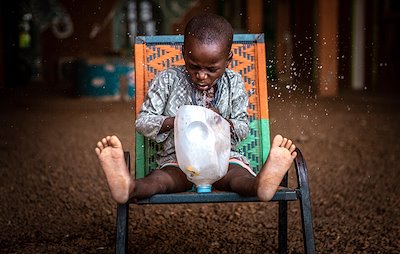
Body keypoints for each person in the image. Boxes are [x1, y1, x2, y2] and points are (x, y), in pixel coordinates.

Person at [95, 13, 297, 204]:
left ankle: (260, 185)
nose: (201, 75)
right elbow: (143, 122)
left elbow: (243, 127)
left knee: (237, 177)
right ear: (183, 54)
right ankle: (129, 188)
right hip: (178, 159)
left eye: (211, 69)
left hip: (222, 157)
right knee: (160, 180)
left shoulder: (234, 82)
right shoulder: (168, 79)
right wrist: (177, 121)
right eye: (194, 67)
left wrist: (222, 123)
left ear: (228, 61)